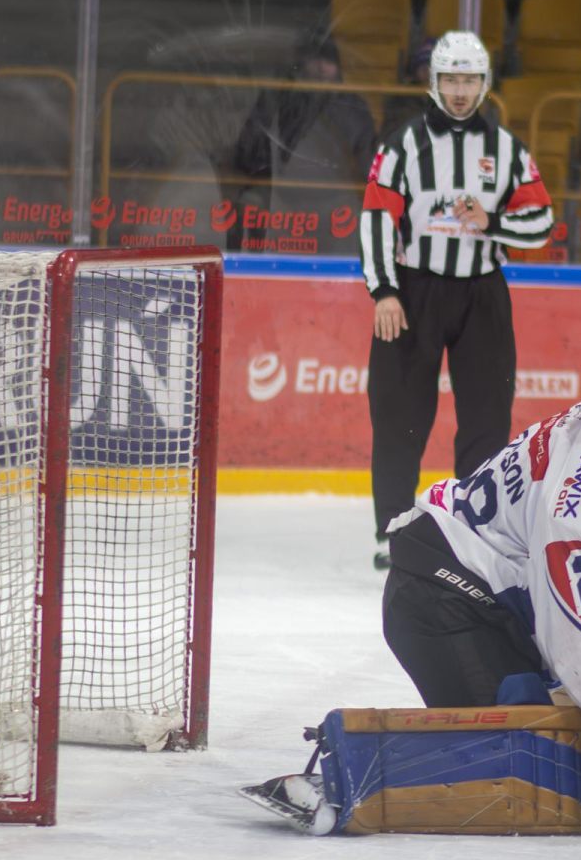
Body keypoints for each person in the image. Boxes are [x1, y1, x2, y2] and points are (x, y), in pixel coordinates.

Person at [381, 327, 581, 750]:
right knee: (518, 752)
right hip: (441, 599)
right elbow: (580, 631)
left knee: (560, 736)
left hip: (494, 591)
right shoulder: (578, 500)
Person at [361, 30, 555, 571]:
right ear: (434, 81)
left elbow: (541, 222)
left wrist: (492, 223)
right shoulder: (402, 145)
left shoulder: (507, 149)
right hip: (413, 291)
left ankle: (476, 528)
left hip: (482, 293)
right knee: (399, 414)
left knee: (487, 415)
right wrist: (384, 291)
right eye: (451, 79)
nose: (461, 91)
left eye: (470, 80)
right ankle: (393, 528)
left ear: (485, 83)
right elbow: (376, 218)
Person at [228, 35, 376, 251]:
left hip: (337, 203)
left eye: (328, 61)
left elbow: (367, 161)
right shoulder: (279, 99)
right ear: (301, 64)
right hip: (280, 201)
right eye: (315, 60)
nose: (321, 68)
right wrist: (259, 181)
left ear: (338, 67)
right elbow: (250, 148)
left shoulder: (352, 106)